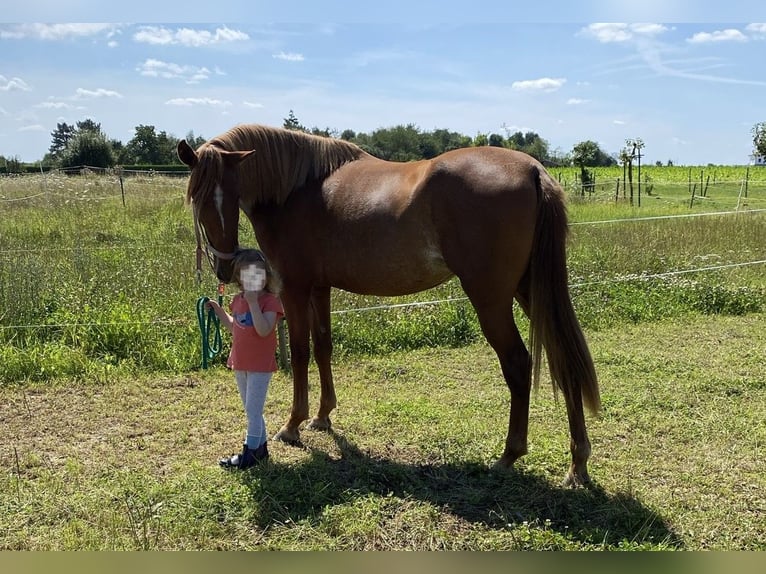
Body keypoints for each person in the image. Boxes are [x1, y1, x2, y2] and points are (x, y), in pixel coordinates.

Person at [205, 249, 284, 470]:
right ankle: (261, 450)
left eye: (258, 274)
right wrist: (218, 310)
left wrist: (253, 304)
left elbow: (263, 329)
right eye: (247, 275)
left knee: (253, 411)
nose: (253, 279)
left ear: (266, 276)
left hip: (260, 365)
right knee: (252, 409)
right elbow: (235, 327)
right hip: (240, 362)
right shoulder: (238, 301)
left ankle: (250, 452)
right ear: (239, 277)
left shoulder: (270, 302)